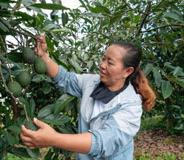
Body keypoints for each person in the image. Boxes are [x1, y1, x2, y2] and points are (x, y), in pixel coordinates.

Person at [20, 35, 156, 159]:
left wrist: (53, 139)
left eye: (110, 63)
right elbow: (65, 79)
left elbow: (102, 142)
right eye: (103, 59)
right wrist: (43, 56)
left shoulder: (130, 106)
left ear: (128, 71)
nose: (102, 65)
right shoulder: (92, 82)